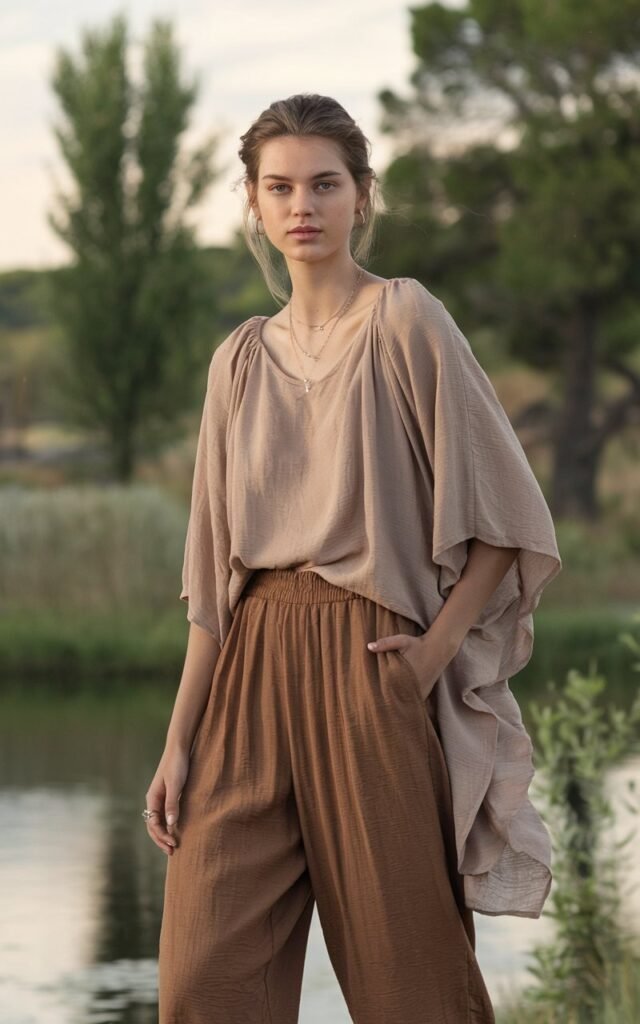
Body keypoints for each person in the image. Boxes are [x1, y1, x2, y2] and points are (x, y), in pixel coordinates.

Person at [145, 93, 562, 1024]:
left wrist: (429, 657)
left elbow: (505, 518)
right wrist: (179, 742)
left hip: (371, 666)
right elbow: (212, 586)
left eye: (325, 184)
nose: (303, 205)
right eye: (280, 187)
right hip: (248, 671)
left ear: (362, 196)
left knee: (409, 985)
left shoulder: (405, 319)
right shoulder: (237, 361)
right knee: (201, 982)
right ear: (253, 202)